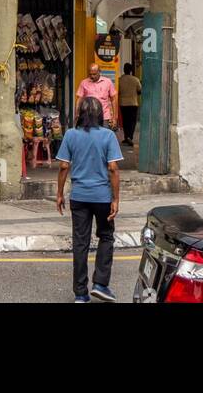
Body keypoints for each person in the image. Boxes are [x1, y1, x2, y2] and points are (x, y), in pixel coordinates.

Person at [56, 96, 122, 302]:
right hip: (102, 197)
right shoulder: (108, 136)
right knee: (106, 236)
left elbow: (64, 166)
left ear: (80, 114)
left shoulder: (70, 135)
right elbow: (113, 169)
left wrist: (59, 194)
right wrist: (116, 199)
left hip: (79, 197)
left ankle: (81, 294)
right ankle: (101, 283)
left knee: (80, 243)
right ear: (100, 115)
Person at [76, 61, 118, 129]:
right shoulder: (84, 83)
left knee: (103, 137)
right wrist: (77, 113)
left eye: (94, 74)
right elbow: (79, 99)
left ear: (99, 72)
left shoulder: (108, 82)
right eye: (90, 74)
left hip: (104, 117)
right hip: (88, 117)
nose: (92, 76)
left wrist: (115, 118)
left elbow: (113, 99)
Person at [118, 63, 141, 145]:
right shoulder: (136, 80)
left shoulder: (120, 80)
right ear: (131, 70)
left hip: (123, 104)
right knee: (132, 121)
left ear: (124, 70)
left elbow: (118, 91)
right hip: (133, 103)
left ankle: (126, 136)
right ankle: (130, 137)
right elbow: (139, 91)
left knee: (125, 121)